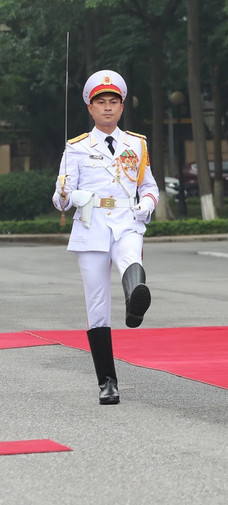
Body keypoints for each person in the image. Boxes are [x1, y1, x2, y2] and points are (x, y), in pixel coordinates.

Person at [52, 70, 159, 405]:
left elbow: (149, 186)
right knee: (97, 305)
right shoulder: (76, 148)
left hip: (127, 220)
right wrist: (66, 195)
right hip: (91, 225)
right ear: (90, 108)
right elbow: (60, 199)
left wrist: (147, 203)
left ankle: (134, 306)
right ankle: (107, 382)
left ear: (122, 106)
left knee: (131, 259)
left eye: (114, 102)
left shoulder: (136, 145)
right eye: (102, 102)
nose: (108, 108)